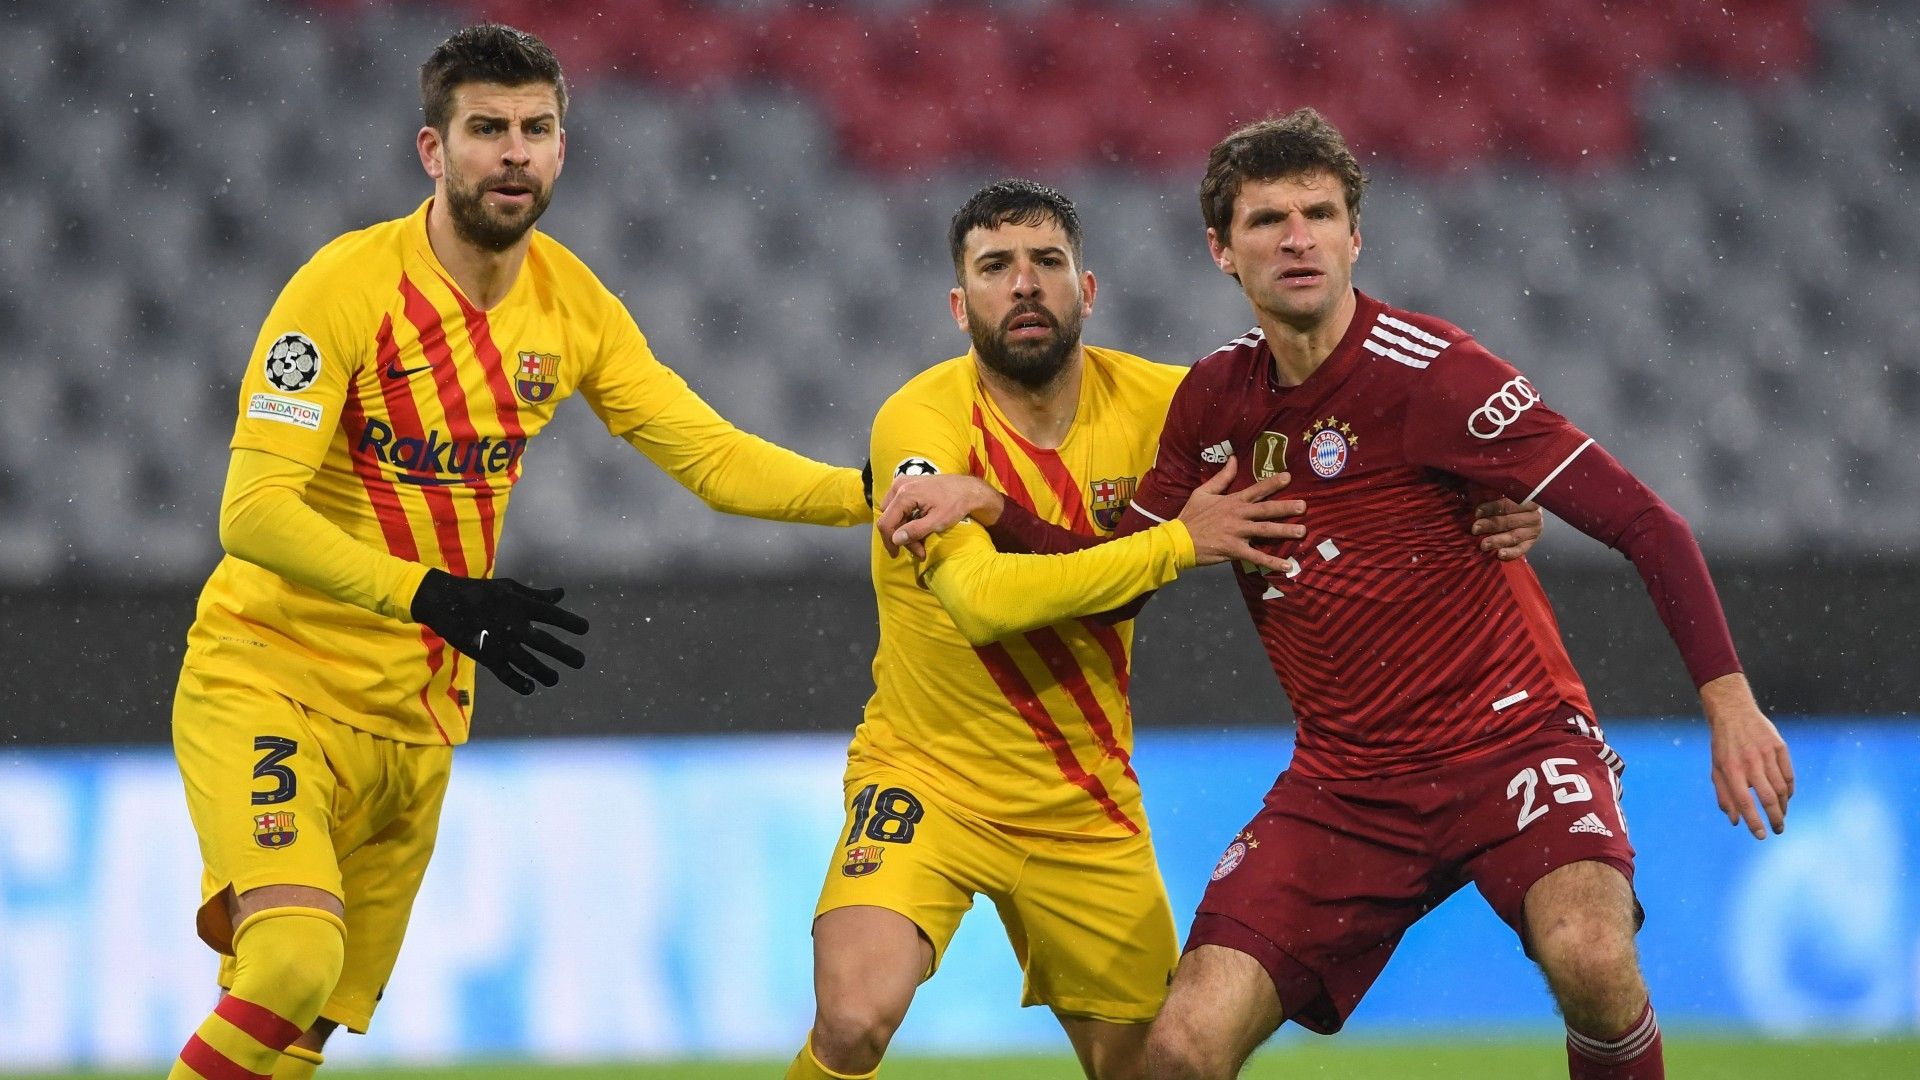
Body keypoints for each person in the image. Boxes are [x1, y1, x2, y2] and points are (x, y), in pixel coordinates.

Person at [886, 110, 1793, 1080]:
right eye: (1267, 219)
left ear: (1355, 236)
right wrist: (997, 504)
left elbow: (1645, 522)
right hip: (1347, 784)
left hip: (1512, 742)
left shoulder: (1436, 375)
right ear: (1221, 252)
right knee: (1179, 1049)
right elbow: (1117, 578)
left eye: (1319, 213)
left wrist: (1726, 699)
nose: (1297, 237)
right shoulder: (1214, 404)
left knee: (1592, 956)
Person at [167, 25, 869, 1080]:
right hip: (272, 679)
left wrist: (878, 499)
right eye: (486, 129)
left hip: (419, 719)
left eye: (536, 129)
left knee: (303, 1031)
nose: (513, 152)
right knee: (292, 963)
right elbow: (252, 511)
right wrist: (431, 595)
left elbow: (714, 461)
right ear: (431, 151)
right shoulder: (344, 289)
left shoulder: (570, 305)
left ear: (561, 150)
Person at [791, 179, 1546, 1080]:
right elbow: (985, 604)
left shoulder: (1168, 405)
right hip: (929, 776)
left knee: (1161, 1067)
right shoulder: (921, 421)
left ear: (1089, 289)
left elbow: (1339, 442)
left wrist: (1480, 494)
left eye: (1047, 263)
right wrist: (1181, 543)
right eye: (996, 268)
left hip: (1085, 804)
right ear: (961, 306)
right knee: (854, 1014)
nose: (1024, 285)